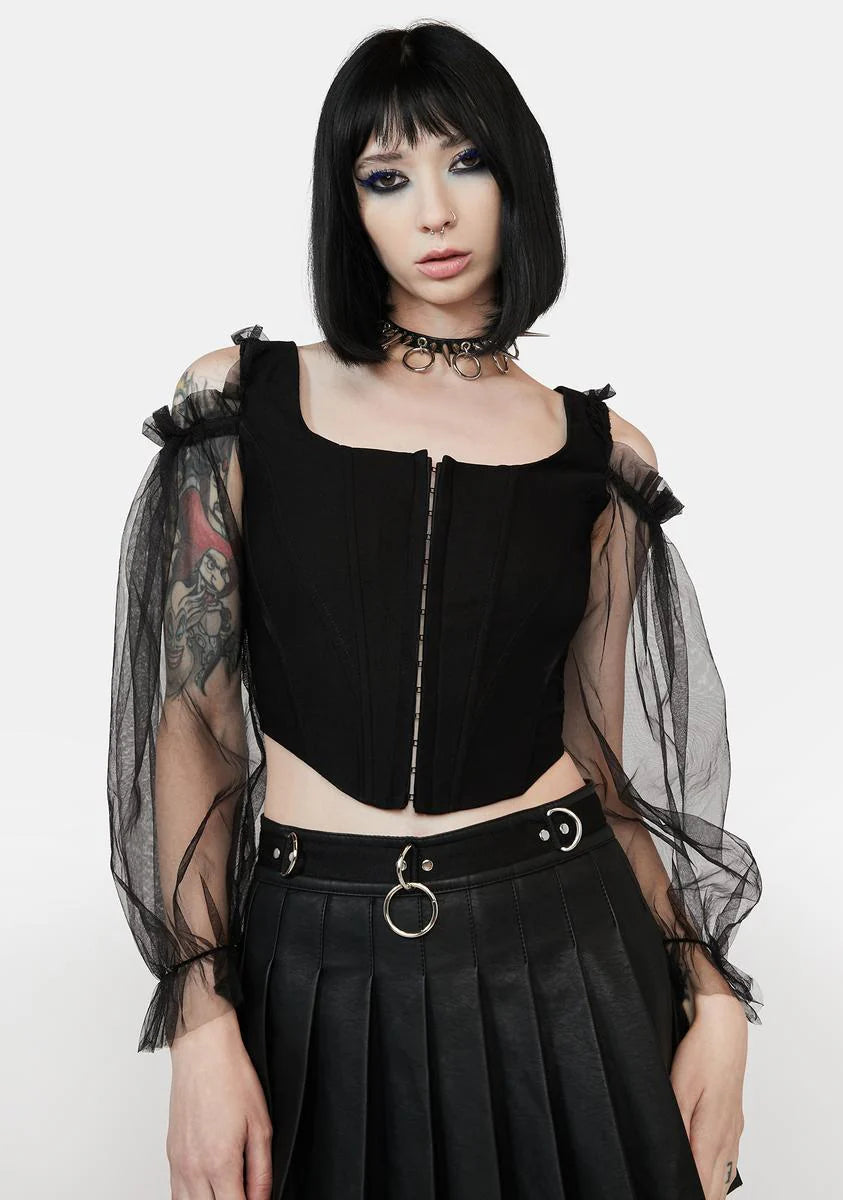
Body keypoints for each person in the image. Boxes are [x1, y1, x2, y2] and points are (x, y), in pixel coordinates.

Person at [106, 19, 762, 1200]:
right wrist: (201, 1015)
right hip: (313, 958)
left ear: (518, 178)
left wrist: (710, 994)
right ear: (347, 206)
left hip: (567, 944)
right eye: (387, 177)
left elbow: (602, 764)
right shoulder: (241, 403)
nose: (436, 212)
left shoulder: (601, 454)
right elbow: (193, 726)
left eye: (467, 161)